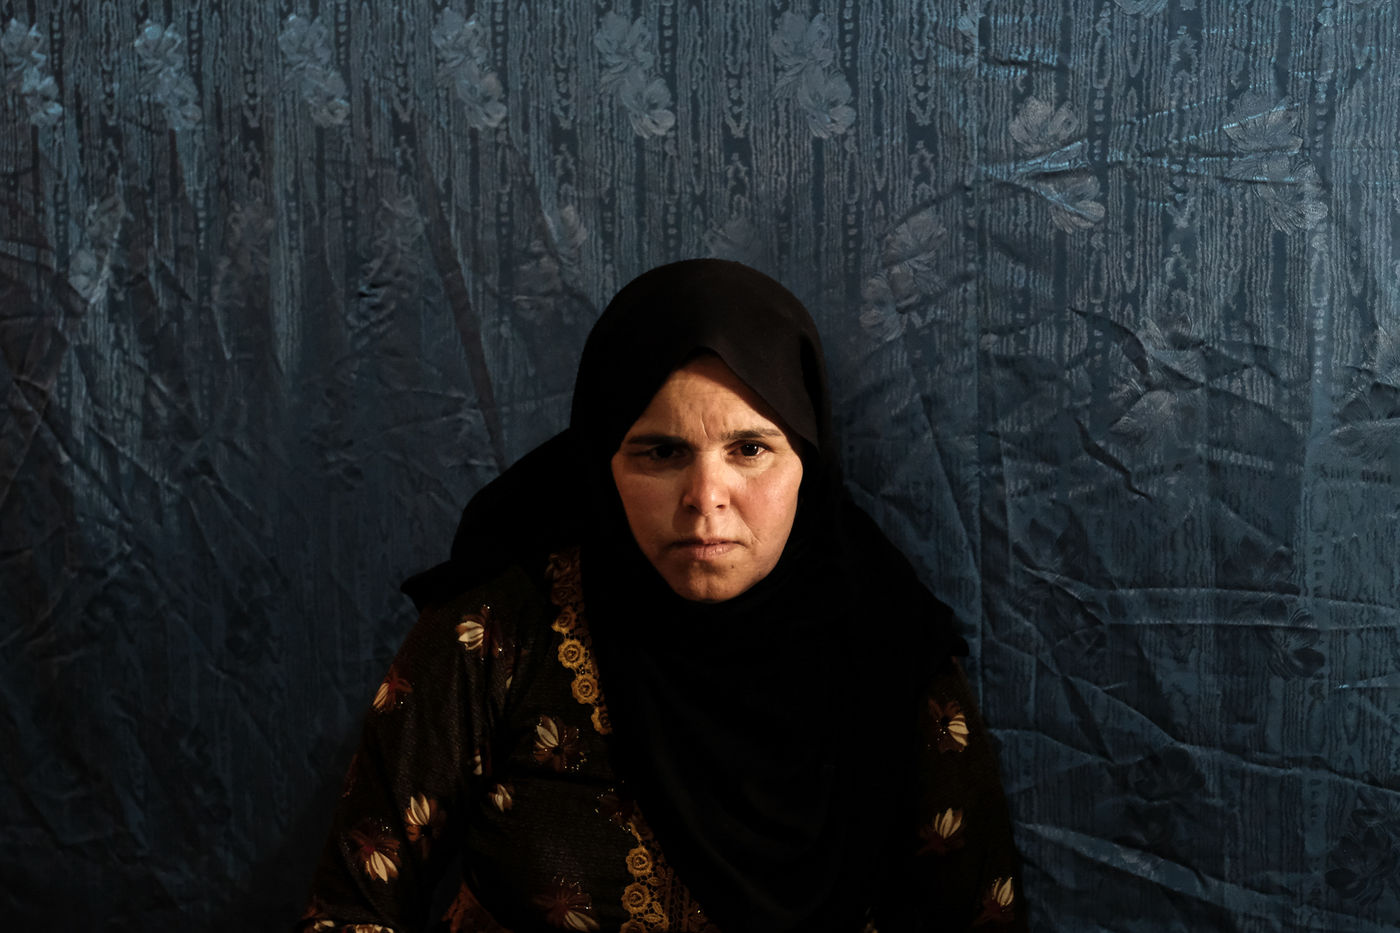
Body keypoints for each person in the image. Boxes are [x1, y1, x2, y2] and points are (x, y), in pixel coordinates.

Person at [299, 259, 1025, 933]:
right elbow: (349, 911)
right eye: (662, 451)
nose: (706, 497)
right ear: (602, 462)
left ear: (807, 459)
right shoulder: (495, 636)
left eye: (750, 449)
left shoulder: (893, 657)